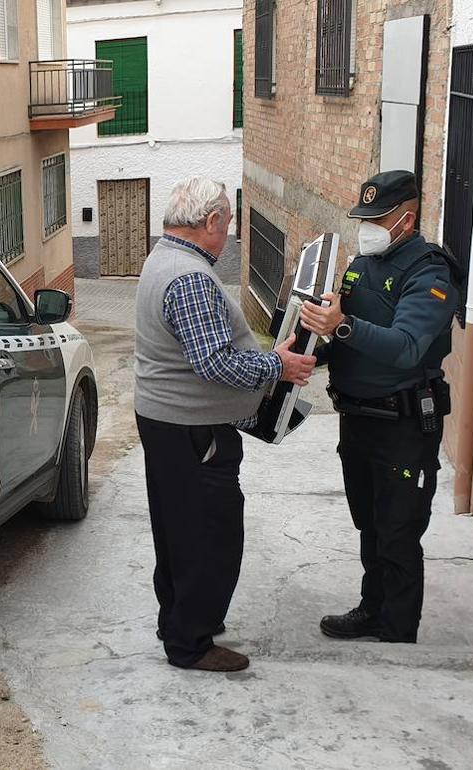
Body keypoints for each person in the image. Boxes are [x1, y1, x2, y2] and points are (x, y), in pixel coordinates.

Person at [135, 177, 316, 671]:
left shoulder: (163, 258)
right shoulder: (189, 277)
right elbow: (215, 363)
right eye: (230, 223)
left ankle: (176, 620)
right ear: (211, 221)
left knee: (177, 528)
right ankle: (190, 643)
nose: (231, 234)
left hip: (169, 421)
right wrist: (278, 365)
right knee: (209, 534)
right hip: (192, 429)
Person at [300, 170, 461, 644]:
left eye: (377, 218)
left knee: (398, 532)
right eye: (363, 217)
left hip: (404, 425)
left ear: (406, 219)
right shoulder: (362, 263)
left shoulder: (430, 271)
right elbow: (350, 337)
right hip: (359, 420)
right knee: (369, 524)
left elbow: (408, 346)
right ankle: (373, 609)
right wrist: (313, 350)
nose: (366, 226)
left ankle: (397, 629)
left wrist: (342, 325)